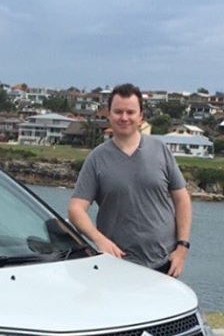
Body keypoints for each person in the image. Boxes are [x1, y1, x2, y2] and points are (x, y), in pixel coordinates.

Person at [68, 83, 192, 277]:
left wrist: (182, 248)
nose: (124, 117)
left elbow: (182, 199)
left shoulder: (161, 150)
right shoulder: (97, 158)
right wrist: (99, 240)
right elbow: (76, 209)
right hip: (118, 266)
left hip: (164, 264)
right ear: (109, 115)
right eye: (118, 112)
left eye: (130, 112)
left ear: (141, 116)